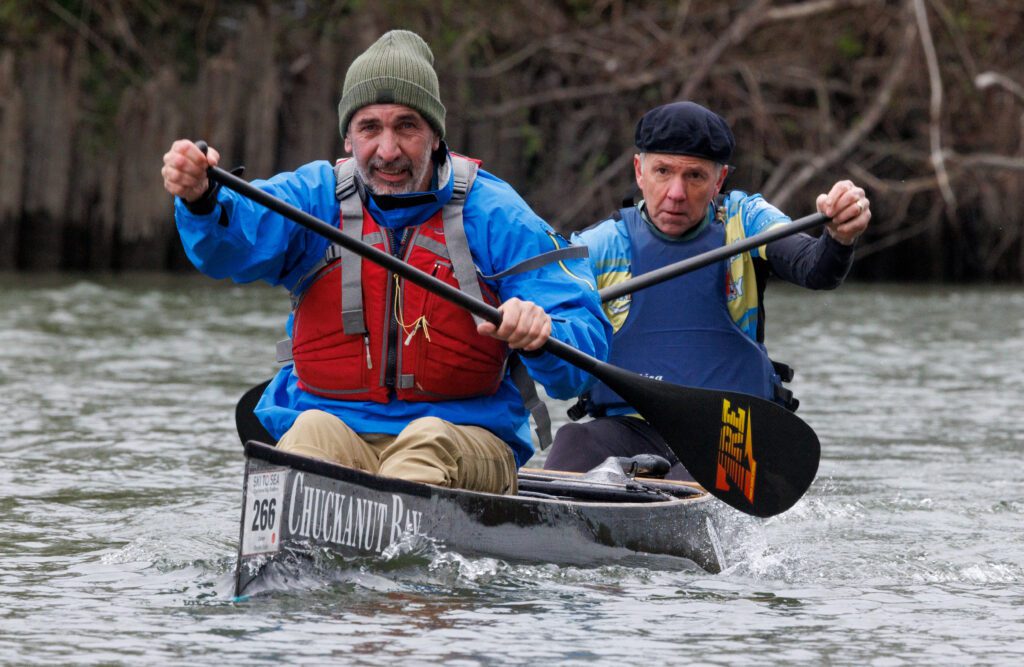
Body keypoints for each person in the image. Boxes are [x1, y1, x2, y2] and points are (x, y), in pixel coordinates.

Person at [161, 30, 610, 495]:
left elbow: (581, 348)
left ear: (435, 136)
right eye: (370, 128)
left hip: (467, 438)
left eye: (407, 126)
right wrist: (200, 198)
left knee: (425, 442)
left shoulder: (496, 213)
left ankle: (402, 562)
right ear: (349, 138)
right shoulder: (314, 196)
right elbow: (232, 240)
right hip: (337, 429)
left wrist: (542, 335)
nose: (388, 150)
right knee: (306, 438)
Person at [543, 100, 871, 481]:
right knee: (572, 442)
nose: (676, 193)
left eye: (695, 176)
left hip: (726, 432)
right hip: (630, 428)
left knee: (690, 481)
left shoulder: (746, 222)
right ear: (639, 171)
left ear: (719, 180)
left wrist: (839, 237)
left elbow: (814, 267)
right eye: (662, 171)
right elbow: (547, 305)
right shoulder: (600, 245)